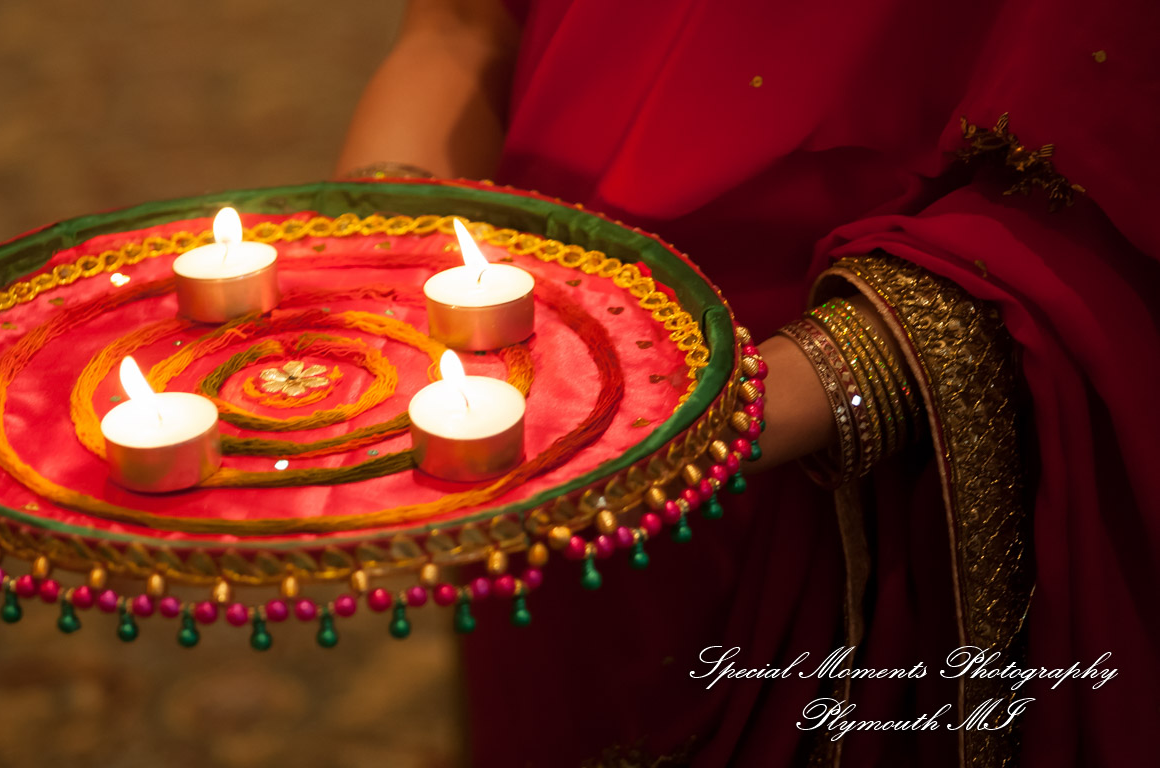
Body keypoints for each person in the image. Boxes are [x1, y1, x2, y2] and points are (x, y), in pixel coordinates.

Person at [335, 1, 1160, 766]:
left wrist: (701, 417)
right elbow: (461, 32)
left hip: (817, 467)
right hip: (524, 400)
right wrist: (360, 272)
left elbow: (1102, 169)